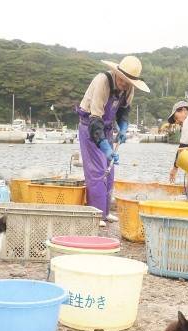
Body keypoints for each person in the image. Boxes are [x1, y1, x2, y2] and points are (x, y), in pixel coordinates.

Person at [77, 56, 150, 226]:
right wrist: (105, 147)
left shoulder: (129, 88)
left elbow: (123, 111)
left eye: (129, 82)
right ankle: (96, 215)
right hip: (90, 127)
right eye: (123, 80)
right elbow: (95, 120)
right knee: (97, 172)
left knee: (109, 172)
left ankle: (106, 212)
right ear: (117, 74)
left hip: (108, 129)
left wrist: (123, 128)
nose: (125, 85)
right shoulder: (103, 81)